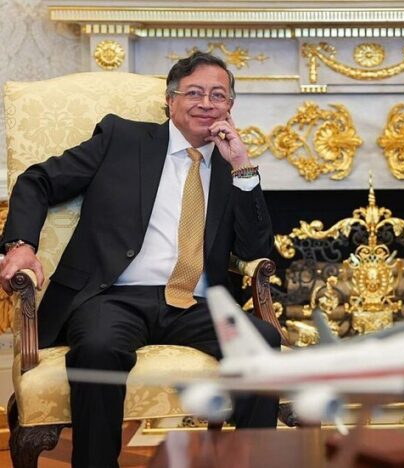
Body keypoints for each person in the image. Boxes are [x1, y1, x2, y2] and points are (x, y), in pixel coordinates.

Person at [0, 51, 280, 467]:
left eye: (218, 95)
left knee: (263, 341)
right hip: (111, 296)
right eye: (194, 93)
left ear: (230, 107)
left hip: (193, 303)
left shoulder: (232, 167)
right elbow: (37, 180)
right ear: (170, 100)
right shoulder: (123, 139)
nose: (206, 103)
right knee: (98, 348)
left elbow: (256, 249)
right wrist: (21, 244)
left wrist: (241, 165)